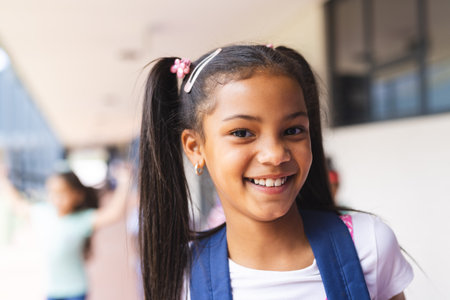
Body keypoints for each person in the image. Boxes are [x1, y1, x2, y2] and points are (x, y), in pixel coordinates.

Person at [138, 45, 413, 300]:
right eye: (242, 133)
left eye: (293, 130)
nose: (275, 154)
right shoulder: (182, 279)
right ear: (195, 147)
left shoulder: (368, 245)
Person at [0, 163, 131, 300]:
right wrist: (3, 179)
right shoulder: (42, 213)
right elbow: (17, 204)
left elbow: (114, 213)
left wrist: (125, 182)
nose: (56, 198)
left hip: (76, 290)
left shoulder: (83, 219)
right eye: (52, 192)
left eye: (63, 193)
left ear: (78, 196)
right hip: (52, 290)